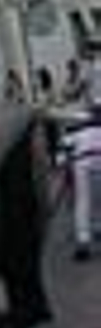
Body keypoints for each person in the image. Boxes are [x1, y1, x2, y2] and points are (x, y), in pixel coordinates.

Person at [64, 106, 101, 261]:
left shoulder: (74, 126)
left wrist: (67, 172)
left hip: (81, 162)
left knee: (82, 201)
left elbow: (64, 150)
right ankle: (98, 228)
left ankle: (83, 243)